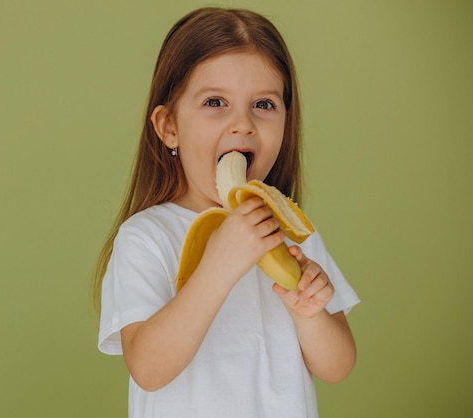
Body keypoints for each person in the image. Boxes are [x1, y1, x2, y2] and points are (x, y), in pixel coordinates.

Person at [93, 7, 360, 418]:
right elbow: (148, 369)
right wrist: (219, 265)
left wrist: (308, 310)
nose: (243, 124)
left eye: (264, 104)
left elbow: (338, 366)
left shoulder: (289, 229)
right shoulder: (146, 235)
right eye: (215, 102)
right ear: (169, 128)